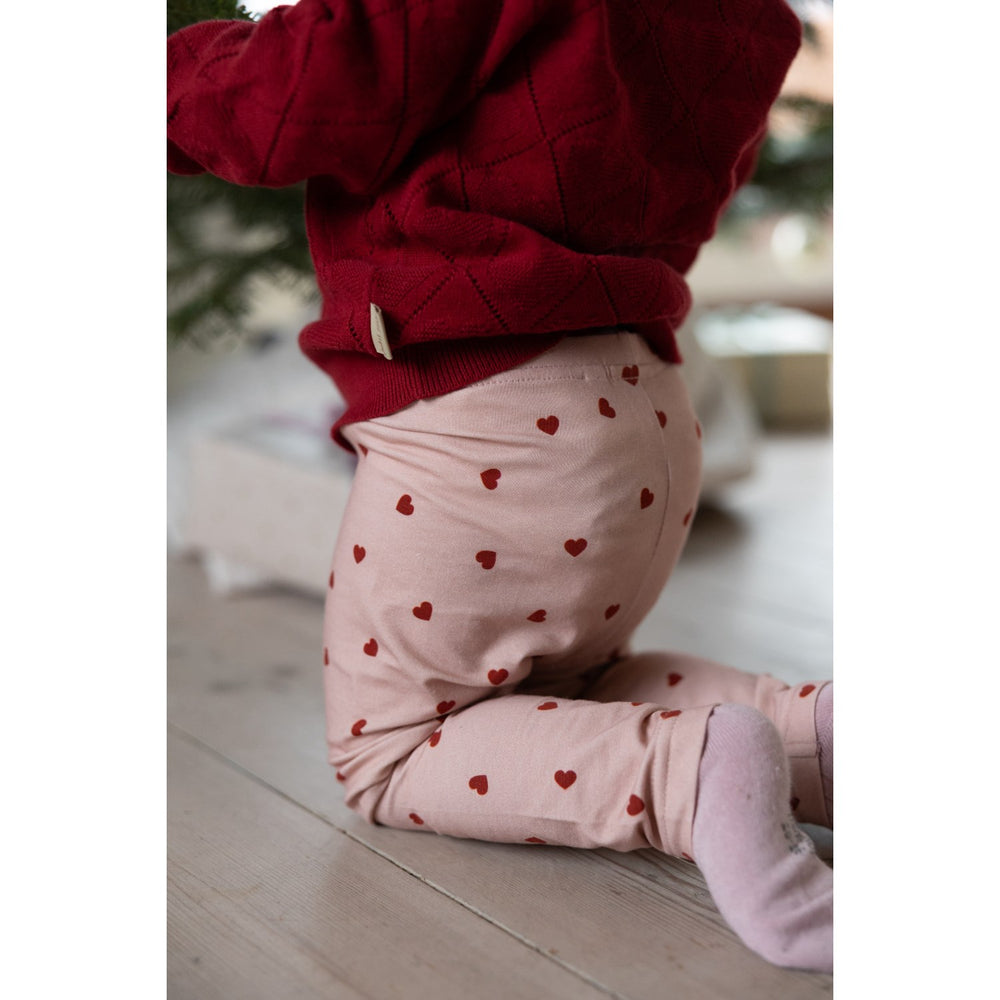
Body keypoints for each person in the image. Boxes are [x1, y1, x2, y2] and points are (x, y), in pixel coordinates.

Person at [168, 0, 832, 972]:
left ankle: (686, 773)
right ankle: (818, 735)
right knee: (563, 679)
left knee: (391, 748)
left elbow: (299, 96)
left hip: (489, 418)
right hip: (641, 399)